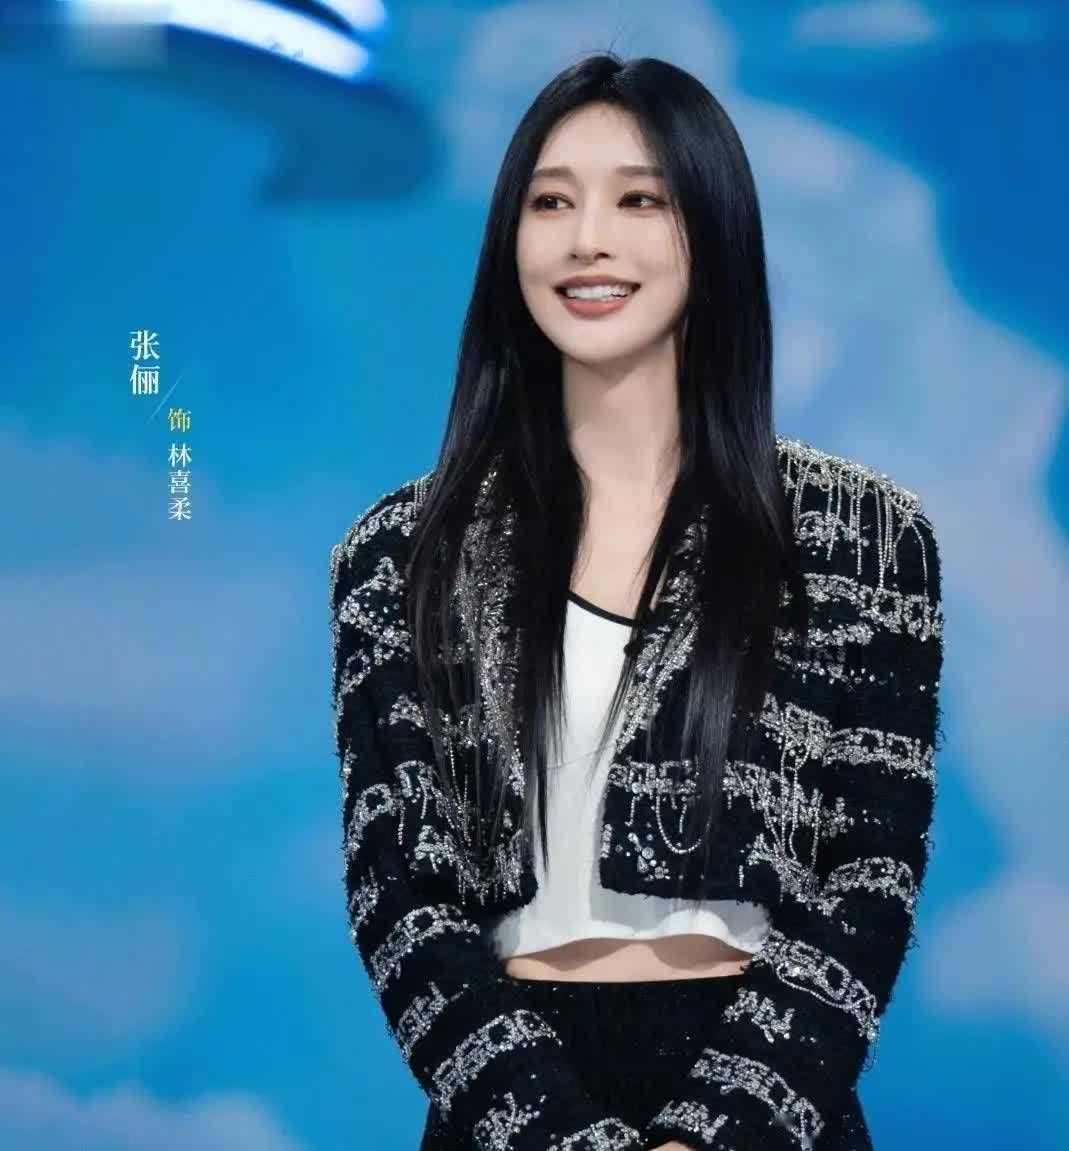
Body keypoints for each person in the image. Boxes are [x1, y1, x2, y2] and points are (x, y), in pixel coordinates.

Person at [330, 53, 945, 1151]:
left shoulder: (866, 538)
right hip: (507, 1109)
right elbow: (400, 900)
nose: (587, 240)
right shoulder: (399, 555)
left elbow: (867, 882)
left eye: (638, 200)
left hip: (769, 1108)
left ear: (711, 228)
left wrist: (707, 1136)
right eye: (550, 202)